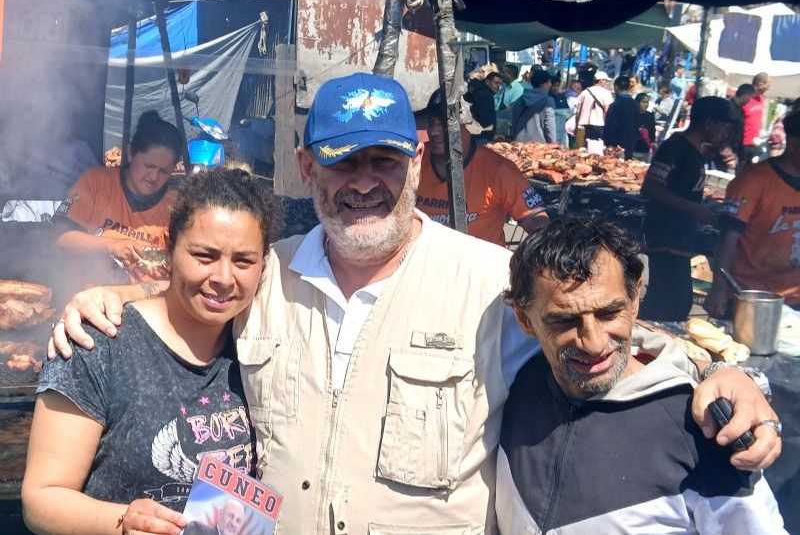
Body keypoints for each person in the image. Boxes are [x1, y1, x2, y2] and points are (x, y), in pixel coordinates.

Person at [50, 73, 781, 534]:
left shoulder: (493, 282)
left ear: (414, 163)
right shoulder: (266, 276)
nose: (364, 182)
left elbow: (595, 327)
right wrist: (113, 292)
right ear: (308, 168)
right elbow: (192, 292)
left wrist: (717, 371)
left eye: (385, 161)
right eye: (343, 162)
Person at [498, 217, 787, 534]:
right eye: (564, 321)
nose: (593, 343)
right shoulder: (516, 381)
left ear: (635, 302)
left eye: (609, 313)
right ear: (524, 320)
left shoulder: (701, 430)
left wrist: (730, 373)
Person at [22, 167, 271, 535]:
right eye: (204, 255)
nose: (223, 277)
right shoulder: (99, 342)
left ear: (264, 264)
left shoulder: (259, 339)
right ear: (169, 248)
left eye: (243, 261)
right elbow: (41, 499)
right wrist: (120, 522)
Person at [53, 111, 183, 283]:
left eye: (164, 171)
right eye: (148, 165)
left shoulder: (175, 205)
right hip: (87, 296)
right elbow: (61, 238)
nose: (153, 177)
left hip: (145, 302)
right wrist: (110, 245)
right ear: (130, 153)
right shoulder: (96, 182)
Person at [639, 96, 736, 322]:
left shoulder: (697, 152)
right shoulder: (675, 148)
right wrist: (694, 209)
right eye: (724, 125)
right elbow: (651, 187)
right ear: (709, 123)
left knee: (678, 303)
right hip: (666, 239)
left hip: (681, 240)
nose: (725, 132)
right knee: (669, 305)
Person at [416, 90, 549, 244]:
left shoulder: (498, 170)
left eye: (445, 123)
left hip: (482, 266)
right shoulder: (415, 159)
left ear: (469, 126)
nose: (433, 131)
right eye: (431, 122)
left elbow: (537, 222)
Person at [705, 110, 800, 317]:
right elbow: (728, 238)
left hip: (795, 299)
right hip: (751, 296)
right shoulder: (753, 181)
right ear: (793, 145)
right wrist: (719, 288)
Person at [716, 84, 755, 173]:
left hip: (734, 151)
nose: (749, 101)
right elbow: (723, 133)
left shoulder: (740, 111)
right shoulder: (728, 109)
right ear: (745, 95)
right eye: (749, 97)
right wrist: (727, 153)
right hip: (724, 152)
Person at [511, 69, 557, 143]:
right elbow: (549, 126)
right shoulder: (548, 100)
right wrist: (553, 143)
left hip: (518, 142)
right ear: (544, 84)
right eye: (549, 82)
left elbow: (514, 119)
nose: (550, 85)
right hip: (538, 145)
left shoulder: (521, 98)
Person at [603, 76, 640, 160]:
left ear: (616, 87)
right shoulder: (634, 104)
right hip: (630, 143)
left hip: (615, 145)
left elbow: (610, 125)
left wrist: (608, 142)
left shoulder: (616, 104)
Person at [741, 72, 772, 165]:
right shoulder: (745, 98)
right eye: (767, 86)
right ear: (760, 84)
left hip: (755, 143)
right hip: (743, 143)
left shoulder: (761, 99)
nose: (768, 89)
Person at [574, 70, 613, 146]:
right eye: (605, 81)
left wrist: (576, 125)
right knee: (595, 152)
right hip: (598, 126)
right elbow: (607, 110)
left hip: (582, 126)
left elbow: (577, 111)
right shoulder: (606, 93)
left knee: (581, 151)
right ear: (601, 81)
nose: (606, 83)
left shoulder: (584, 92)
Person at [466, 70, 503, 140]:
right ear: (487, 82)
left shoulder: (479, 91)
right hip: (481, 137)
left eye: (500, 84)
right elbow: (485, 118)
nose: (498, 86)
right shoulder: (486, 95)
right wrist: (491, 135)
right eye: (496, 83)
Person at [634, 92, 656, 159]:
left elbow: (652, 130)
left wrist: (653, 142)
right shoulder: (632, 115)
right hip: (634, 149)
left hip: (645, 149)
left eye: (647, 102)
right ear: (637, 102)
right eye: (643, 102)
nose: (646, 104)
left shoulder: (650, 115)